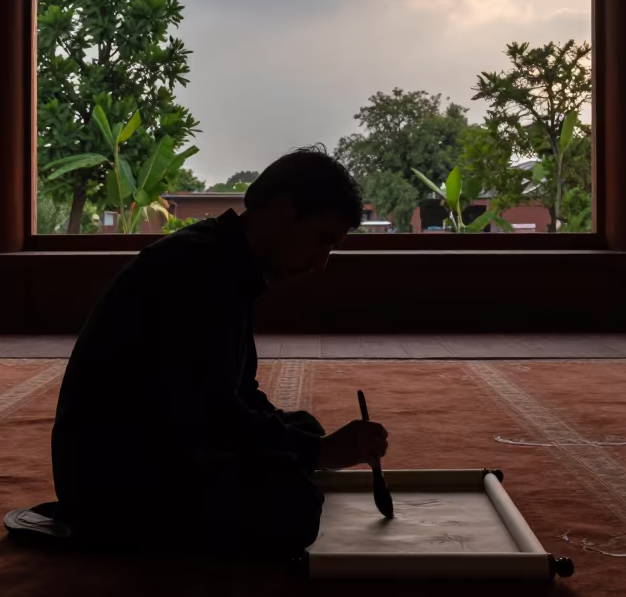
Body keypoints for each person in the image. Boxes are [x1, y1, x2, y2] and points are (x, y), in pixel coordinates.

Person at [51, 145, 388, 557]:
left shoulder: (225, 260)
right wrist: (320, 453)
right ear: (285, 212)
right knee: (293, 504)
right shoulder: (201, 271)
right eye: (323, 241)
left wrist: (308, 444)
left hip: (160, 438)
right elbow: (209, 417)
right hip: (113, 475)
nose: (321, 263)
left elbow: (235, 393)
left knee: (303, 428)